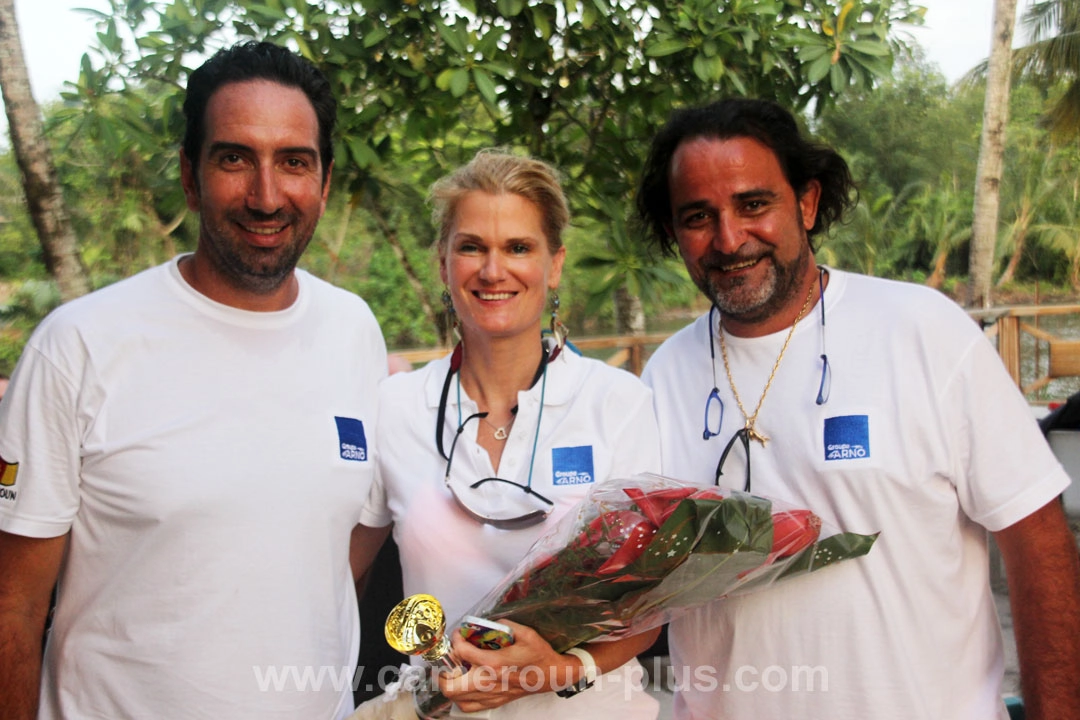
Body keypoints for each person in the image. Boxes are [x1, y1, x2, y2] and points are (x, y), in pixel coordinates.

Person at [636, 98, 1080, 720]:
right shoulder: (662, 377)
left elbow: (1036, 539)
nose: (730, 238)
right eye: (698, 216)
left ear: (808, 203)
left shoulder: (923, 331)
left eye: (754, 204)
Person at [0, 41, 387, 720]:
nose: (267, 197)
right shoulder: (80, 344)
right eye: (235, 158)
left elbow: (339, 546)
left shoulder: (353, 329)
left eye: (294, 162)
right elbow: (13, 604)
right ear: (189, 175)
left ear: (324, 182)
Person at [352, 150, 662, 718]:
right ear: (442, 262)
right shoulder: (394, 407)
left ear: (555, 263)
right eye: (472, 247)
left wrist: (561, 669)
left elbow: (650, 606)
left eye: (518, 248)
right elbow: (342, 573)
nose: (494, 271)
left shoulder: (618, 404)